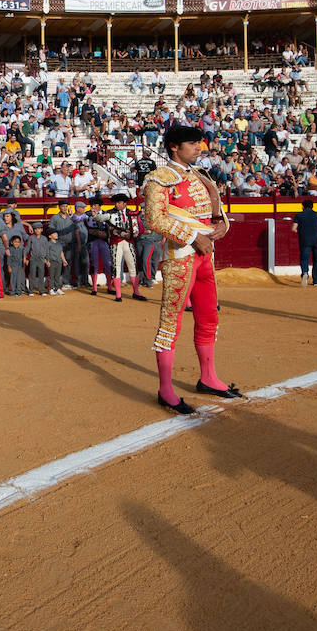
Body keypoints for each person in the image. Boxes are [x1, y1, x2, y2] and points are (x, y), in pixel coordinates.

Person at [144, 125, 240, 415]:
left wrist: (223, 223)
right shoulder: (159, 178)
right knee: (171, 321)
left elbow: (215, 210)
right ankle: (165, 389)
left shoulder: (200, 175)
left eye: (199, 142)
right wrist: (192, 237)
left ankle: (208, 377)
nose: (199, 147)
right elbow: (154, 219)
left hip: (204, 258)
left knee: (208, 315)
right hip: (180, 255)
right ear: (174, 146)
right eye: (192, 143)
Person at [103, 192, 147, 302]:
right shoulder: (110, 214)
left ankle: (136, 292)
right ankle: (118, 294)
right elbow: (110, 228)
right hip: (116, 242)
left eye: (119, 202)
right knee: (116, 267)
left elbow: (139, 227)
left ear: (124, 203)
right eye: (116, 203)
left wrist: (134, 233)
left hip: (129, 243)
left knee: (133, 266)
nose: (117, 205)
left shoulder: (132, 213)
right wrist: (123, 234)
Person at [292, 199, 317, 286]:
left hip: (305, 240)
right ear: (312, 206)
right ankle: (316, 281)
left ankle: (305, 272)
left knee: (304, 259)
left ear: (303, 206)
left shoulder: (299, 215)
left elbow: (293, 229)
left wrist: (301, 232)